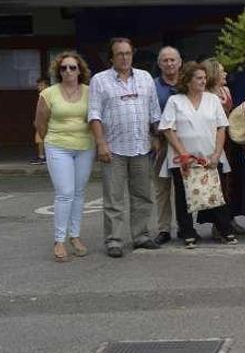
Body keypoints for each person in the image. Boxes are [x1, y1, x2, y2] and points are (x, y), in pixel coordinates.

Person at [88, 38, 162, 258]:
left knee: (143, 196)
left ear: (133, 55)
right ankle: (115, 241)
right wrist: (101, 143)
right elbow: (94, 114)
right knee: (114, 198)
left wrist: (156, 137)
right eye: (119, 54)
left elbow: (154, 111)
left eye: (128, 53)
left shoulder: (145, 77)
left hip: (141, 146)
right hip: (114, 149)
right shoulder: (99, 80)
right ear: (111, 57)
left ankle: (141, 236)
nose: (124, 57)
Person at [158, 62, 237, 248]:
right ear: (188, 81)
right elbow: (168, 129)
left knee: (214, 193)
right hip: (183, 158)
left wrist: (217, 153)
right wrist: (183, 153)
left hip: (209, 156)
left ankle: (225, 230)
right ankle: (187, 232)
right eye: (199, 78)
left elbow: (221, 127)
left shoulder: (212, 99)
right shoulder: (175, 101)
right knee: (183, 195)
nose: (203, 81)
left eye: (204, 78)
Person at [34, 52, 94, 261]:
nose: (68, 71)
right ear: (58, 71)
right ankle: (59, 241)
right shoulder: (48, 93)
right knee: (65, 193)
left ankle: (75, 236)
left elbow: (95, 118)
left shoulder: (90, 91)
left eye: (72, 67)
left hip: (85, 147)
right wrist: (51, 141)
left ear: (80, 70)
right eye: (63, 68)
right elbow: (40, 123)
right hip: (58, 147)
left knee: (78, 193)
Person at [202, 57, 245, 236]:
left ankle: (230, 217)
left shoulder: (226, 90)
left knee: (232, 181)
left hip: (231, 140)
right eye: (222, 71)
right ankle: (217, 223)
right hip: (214, 142)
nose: (225, 73)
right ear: (213, 74)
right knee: (217, 182)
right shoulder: (205, 95)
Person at [152, 46, 181, 246]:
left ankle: (184, 225)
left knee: (184, 188)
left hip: (184, 144)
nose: (169, 64)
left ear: (180, 62)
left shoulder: (188, 82)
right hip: (160, 143)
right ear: (159, 63)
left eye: (173, 60)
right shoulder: (152, 86)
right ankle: (164, 228)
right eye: (165, 60)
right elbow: (148, 112)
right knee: (162, 189)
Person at [31, 76, 50, 165]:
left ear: (47, 85)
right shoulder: (43, 95)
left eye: (41, 85)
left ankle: (42, 156)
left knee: (40, 138)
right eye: (38, 85)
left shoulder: (46, 95)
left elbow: (44, 110)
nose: (39, 87)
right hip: (43, 120)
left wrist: (39, 121)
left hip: (46, 121)